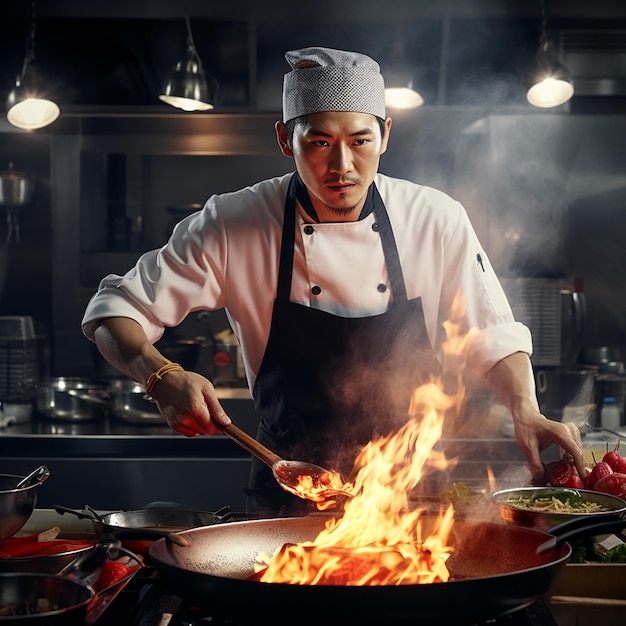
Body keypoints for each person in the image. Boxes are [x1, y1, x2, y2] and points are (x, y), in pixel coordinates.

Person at [82, 46, 585, 515]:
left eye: (360, 141)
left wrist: (525, 408)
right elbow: (113, 312)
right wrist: (159, 375)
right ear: (285, 139)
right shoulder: (233, 222)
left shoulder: (434, 218)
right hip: (288, 491)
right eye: (319, 143)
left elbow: (491, 332)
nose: (341, 166)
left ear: (385, 135)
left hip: (409, 494)